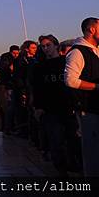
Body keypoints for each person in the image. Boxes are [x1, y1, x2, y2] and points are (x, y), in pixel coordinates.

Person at [34, 40, 80, 175]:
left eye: (48, 45)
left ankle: (73, 164)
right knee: (56, 140)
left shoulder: (65, 63)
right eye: (43, 46)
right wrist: (38, 106)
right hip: (50, 108)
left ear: (55, 46)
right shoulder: (39, 67)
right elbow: (37, 88)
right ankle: (61, 168)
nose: (45, 48)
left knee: (73, 138)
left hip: (68, 106)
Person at [65, 17, 99, 177]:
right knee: (92, 151)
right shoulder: (77, 52)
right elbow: (70, 80)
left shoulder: (96, 51)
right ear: (92, 30)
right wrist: (96, 87)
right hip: (88, 109)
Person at [13, 40, 38, 139]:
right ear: (27, 49)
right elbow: (18, 76)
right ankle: (24, 131)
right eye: (33, 48)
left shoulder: (35, 59)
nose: (35, 50)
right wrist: (22, 91)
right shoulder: (20, 60)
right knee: (23, 111)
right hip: (23, 89)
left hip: (31, 88)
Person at [0, 45, 19, 133]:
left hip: (9, 84)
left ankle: (8, 126)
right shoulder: (7, 60)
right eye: (15, 53)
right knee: (10, 106)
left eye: (17, 53)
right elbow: (7, 70)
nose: (16, 55)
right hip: (8, 84)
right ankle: (9, 127)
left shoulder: (5, 59)